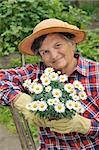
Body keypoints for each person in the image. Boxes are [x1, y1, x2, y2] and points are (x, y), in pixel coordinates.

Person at [0, 18, 99, 150]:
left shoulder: (96, 73)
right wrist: (20, 100)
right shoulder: (37, 74)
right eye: (45, 52)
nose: (53, 55)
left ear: (73, 43)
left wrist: (85, 125)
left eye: (58, 45)